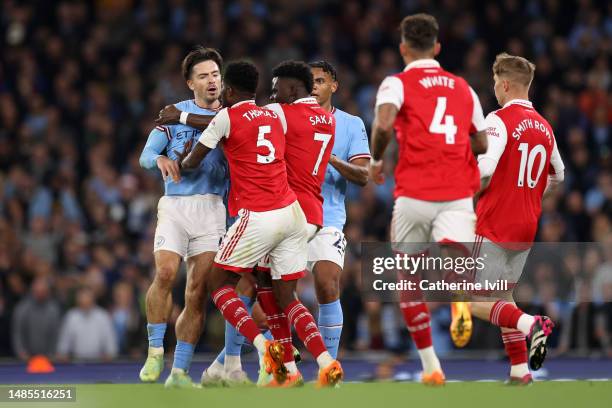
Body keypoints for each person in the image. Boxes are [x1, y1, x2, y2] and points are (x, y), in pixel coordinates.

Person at [179, 60, 343, 388]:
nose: (273, 93)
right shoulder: (326, 119)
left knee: (220, 282)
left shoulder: (282, 113)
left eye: (278, 87)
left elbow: (229, 123)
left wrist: (181, 120)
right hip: (302, 214)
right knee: (277, 293)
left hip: (269, 209)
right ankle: (312, 366)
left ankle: (262, 350)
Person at [370, 13, 487, 385]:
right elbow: (482, 142)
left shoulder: (396, 83)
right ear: (437, 47)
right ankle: (460, 295)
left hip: (414, 192)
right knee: (457, 255)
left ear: (403, 48)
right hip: (456, 192)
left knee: (408, 276)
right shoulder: (463, 87)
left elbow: (385, 124)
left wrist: (375, 160)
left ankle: (431, 367)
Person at [469, 53, 565, 385]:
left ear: (505, 84)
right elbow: (559, 175)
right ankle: (520, 371)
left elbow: (485, 170)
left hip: (495, 222)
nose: (495, 88)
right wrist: (530, 197)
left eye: (496, 83)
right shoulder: (545, 127)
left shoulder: (498, 120)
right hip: (526, 225)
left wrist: (464, 202)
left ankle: (531, 325)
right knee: (503, 297)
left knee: (474, 302)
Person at [137, 46, 228, 388]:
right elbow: (145, 155)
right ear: (191, 83)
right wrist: (159, 161)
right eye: (203, 76)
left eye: (216, 75)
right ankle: (155, 350)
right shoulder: (173, 114)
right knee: (164, 272)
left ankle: (179, 372)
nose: (211, 81)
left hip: (213, 208)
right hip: (175, 205)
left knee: (197, 293)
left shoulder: (232, 114)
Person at [307, 60, 370, 358]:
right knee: (270, 299)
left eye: (320, 81)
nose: (314, 86)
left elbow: (362, 175)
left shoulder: (350, 124)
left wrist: (330, 158)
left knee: (328, 283)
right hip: (288, 216)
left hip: (327, 218)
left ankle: (327, 365)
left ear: (334, 86)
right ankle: (228, 362)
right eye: (310, 82)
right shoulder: (290, 120)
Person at [56, 287, 117, 361]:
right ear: (78, 300)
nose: (85, 301)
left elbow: (111, 346)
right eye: (82, 298)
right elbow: (63, 345)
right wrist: (62, 354)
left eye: (87, 298)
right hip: (76, 363)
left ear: (93, 299)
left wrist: (110, 355)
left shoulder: (103, 316)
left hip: (99, 364)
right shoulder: (71, 316)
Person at [11, 277, 61, 360]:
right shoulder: (22, 308)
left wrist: (53, 352)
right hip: (26, 357)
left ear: (48, 292)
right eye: (37, 291)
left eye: (43, 291)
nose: (40, 294)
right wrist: (21, 351)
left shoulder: (54, 309)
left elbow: (57, 333)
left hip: (49, 357)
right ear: (32, 291)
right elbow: (17, 332)